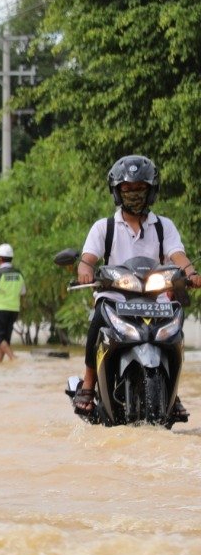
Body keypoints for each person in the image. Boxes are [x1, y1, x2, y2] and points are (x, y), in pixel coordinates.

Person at [71, 155, 201, 417]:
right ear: (117, 192)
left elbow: (178, 255)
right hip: (115, 295)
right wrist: (85, 271)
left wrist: (191, 272)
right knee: (98, 316)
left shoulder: (164, 227)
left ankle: (173, 393)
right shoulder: (104, 227)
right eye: (127, 189)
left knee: (176, 323)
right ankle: (88, 382)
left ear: (151, 190)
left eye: (139, 188)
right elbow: (87, 260)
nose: (133, 194)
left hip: (155, 296)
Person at [0, 243, 25, 363]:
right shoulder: (19, 274)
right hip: (13, 310)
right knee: (5, 339)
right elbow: (23, 292)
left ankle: (13, 358)